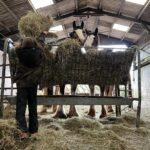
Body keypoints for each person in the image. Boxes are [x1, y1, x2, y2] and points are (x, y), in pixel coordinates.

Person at [9, 37, 44, 139]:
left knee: (21, 107)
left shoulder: (16, 52)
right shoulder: (39, 52)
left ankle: (23, 131)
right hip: (33, 83)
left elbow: (13, 66)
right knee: (33, 106)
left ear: (22, 44)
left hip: (21, 84)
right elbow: (42, 66)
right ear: (34, 44)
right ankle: (33, 131)